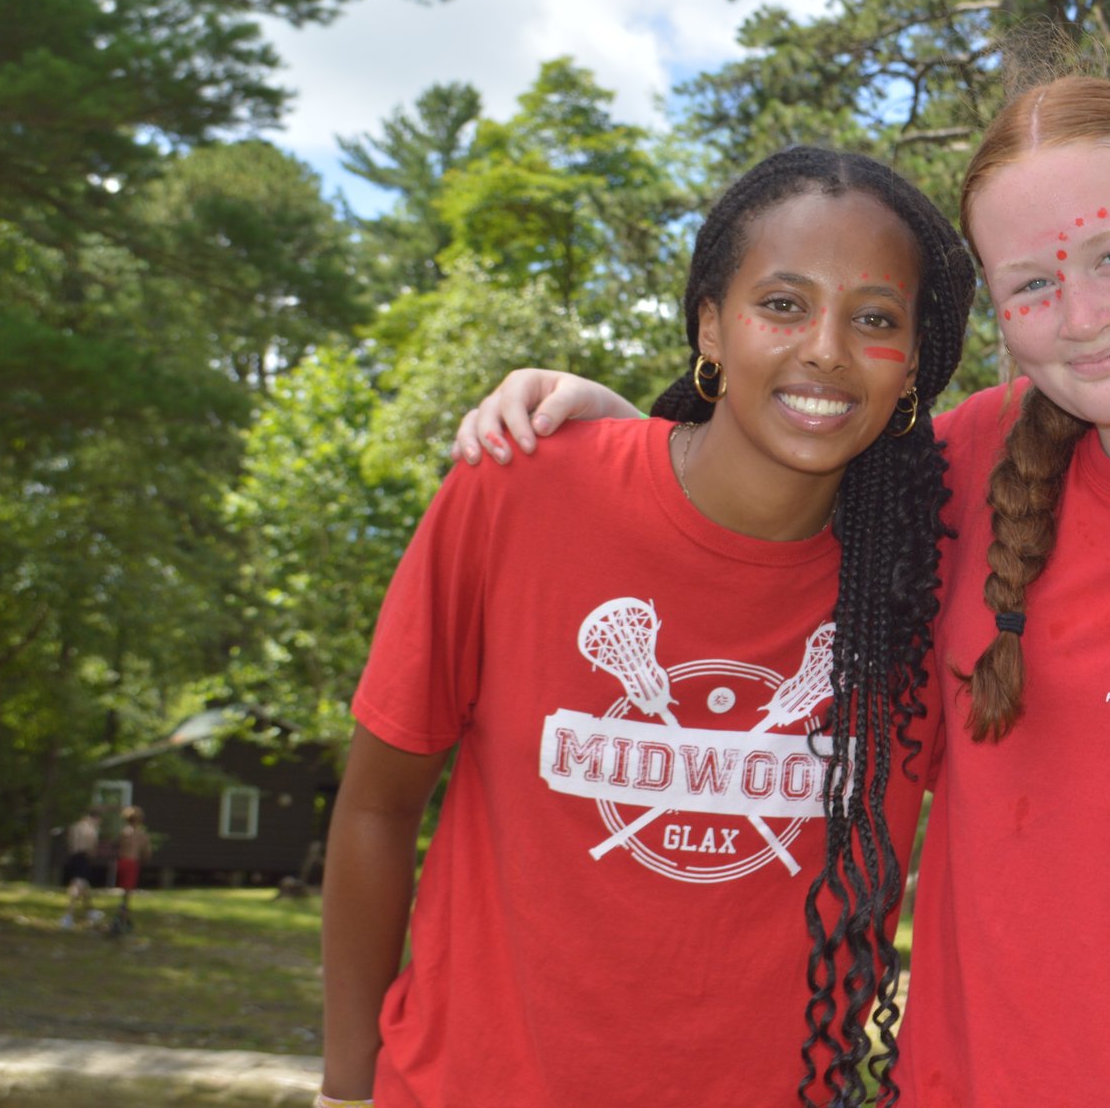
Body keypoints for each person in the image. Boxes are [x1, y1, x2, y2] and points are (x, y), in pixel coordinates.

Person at [450, 75, 1110, 1106]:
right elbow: (763, 488)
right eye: (1030, 284)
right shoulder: (967, 463)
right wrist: (620, 428)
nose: (1079, 315)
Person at [318, 147, 976, 1108]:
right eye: (782, 304)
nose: (827, 348)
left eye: (875, 318)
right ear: (710, 322)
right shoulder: (523, 485)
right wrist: (344, 1092)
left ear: (913, 361)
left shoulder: (927, 579)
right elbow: (376, 805)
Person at [59, 807, 103, 929]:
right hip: (83, 858)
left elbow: (70, 844)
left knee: (84, 885)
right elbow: (92, 847)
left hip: (73, 857)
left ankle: (91, 911)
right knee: (77, 886)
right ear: (95, 818)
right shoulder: (91, 829)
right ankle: (68, 915)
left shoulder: (74, 827)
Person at [112, 805, 150, 924]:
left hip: (121, 861)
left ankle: (124, 912)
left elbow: (117, 847)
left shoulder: (123, 832)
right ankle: (123, 914)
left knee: (124, 889)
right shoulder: (141, 834)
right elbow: (146, 851)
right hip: (132, 862)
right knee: (128, 890)